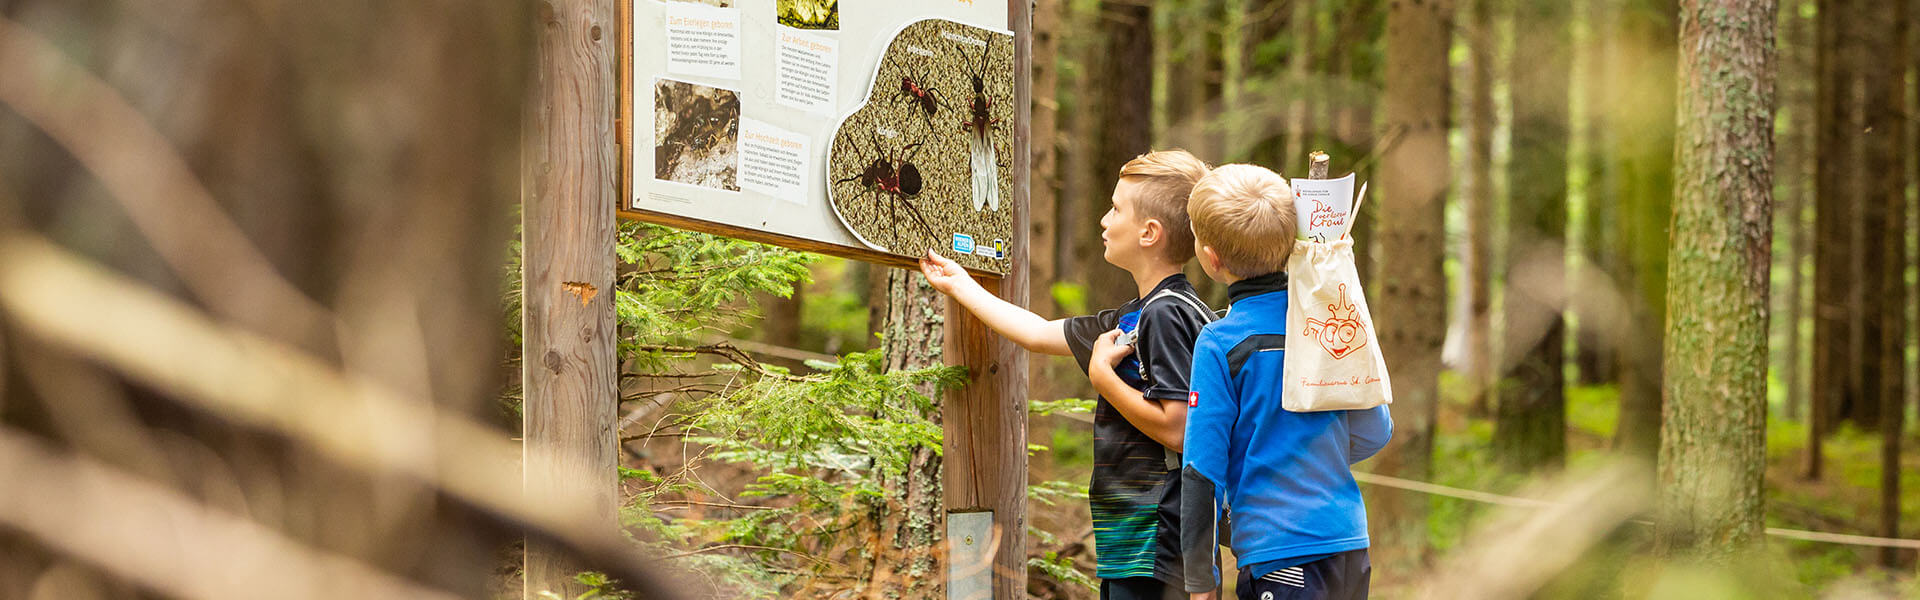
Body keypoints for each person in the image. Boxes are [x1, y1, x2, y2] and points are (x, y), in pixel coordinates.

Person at [921, 150, 1216, 600]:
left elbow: (1178, 428)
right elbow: (1040, 333)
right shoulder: (1143, 313)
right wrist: (960, 284)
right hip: (1136, 539)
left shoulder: (1168, 314)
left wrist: (1104, 380)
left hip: (1156, 540)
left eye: (1116, 208)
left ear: (1149, 233)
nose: (1103, 219)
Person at [1177, 164, 1393, 600]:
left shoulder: (1220, 343)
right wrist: (1312, 452)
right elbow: (1376, 430)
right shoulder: (1332, 320)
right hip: (1349, 544)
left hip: (1279, 554)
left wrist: (1200, 580)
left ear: (1211, 258)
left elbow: (1202, 470)